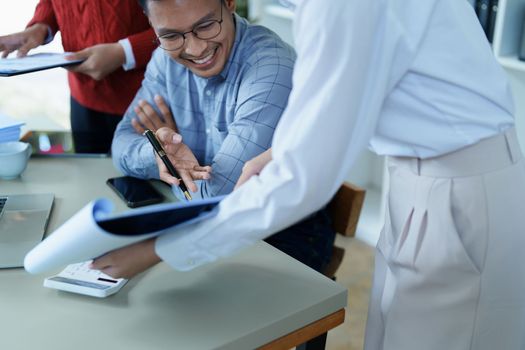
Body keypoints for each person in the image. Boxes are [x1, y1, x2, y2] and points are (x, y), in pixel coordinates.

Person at [92, 0, 525, 349]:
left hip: (457, 189)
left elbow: (299, 180)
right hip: (419, 181)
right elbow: (358, 100)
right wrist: (287, 149)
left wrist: (159, 249)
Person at [109, 0, 335, 273]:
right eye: (170, 35)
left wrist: (172, 162)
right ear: (151, 23)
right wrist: (160, 156)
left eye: (205, 25)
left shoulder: (271, 69)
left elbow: (216, 200)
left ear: (230, 3)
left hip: (283, 234)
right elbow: (120, 142)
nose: (195, 48)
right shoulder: (163, 59)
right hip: (206, 225)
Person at [0, 0, 157, 153]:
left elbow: (178, 24)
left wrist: (125, 52)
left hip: (146, 98)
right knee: (87, 173)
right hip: (82, 97)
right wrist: (41, 26)